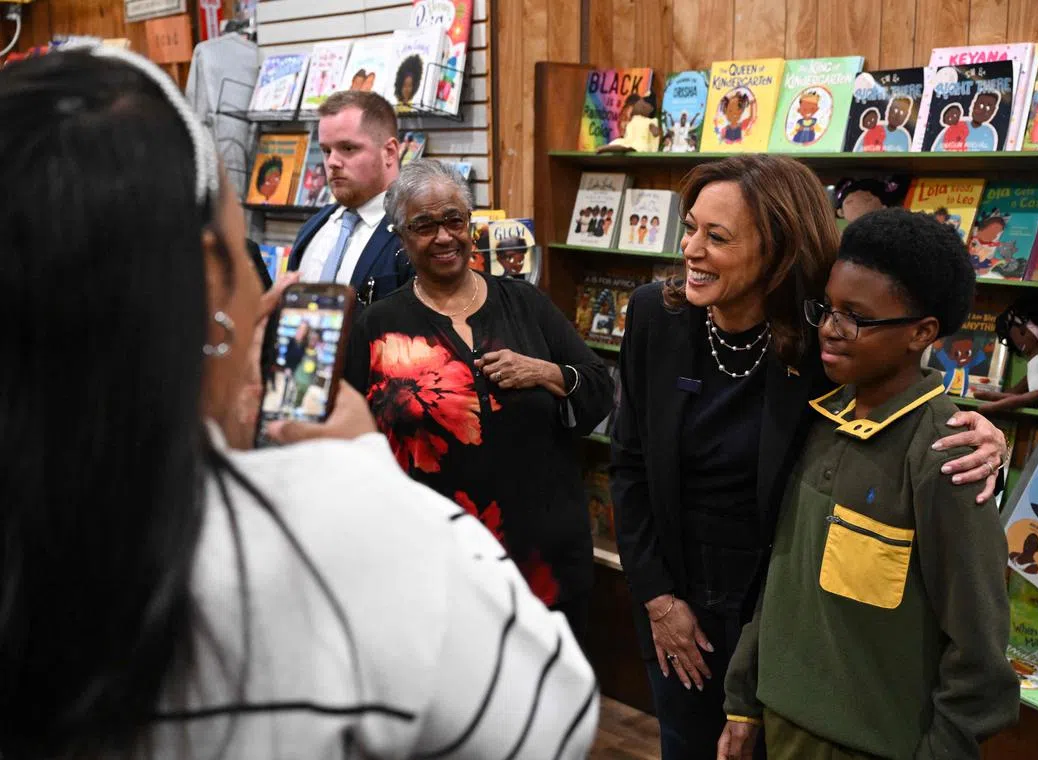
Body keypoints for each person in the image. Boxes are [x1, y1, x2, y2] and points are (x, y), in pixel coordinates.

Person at [0, 44, 598, 758]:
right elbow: (553, 718)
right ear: (213, 277)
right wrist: (361, 480)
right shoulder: (332, 530)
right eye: (245, 246)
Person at [609, 155, 1008, 760]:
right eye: (689, 227)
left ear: (775, 249)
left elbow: (895, 379)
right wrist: (659, 600)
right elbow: (629, 466)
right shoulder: (654, 319)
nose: (690, 249)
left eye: (716, 236)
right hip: (678, 600)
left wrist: (984, 433)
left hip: (782, 623)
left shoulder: (820, 335)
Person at [722, 207, 1019, 759]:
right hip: (780, 722)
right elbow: (782, 575)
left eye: (856, 317)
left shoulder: (946, 457)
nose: (831, 329)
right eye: (828, 309)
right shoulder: (817, 418)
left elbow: (979, 653)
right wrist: (743, 697)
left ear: (922, 333)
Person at [344, 159, 615, 644]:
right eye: (424, 225)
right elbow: (350, 440)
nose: (444, 237)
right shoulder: (374, 325)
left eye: (454, 220)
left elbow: (598, 387)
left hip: (544, 558)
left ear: (471, 224)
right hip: (435, 562)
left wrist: (546, 372)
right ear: (402, 237)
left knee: (552, 706)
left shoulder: (525, 304)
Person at [287, 90, 410, 307]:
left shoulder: (415, 234)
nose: (332, 162)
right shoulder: (313, 229)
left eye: (348, 148)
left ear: (389, 152)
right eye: (326, 150)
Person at [976, 297, 1038, 412]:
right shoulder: (1033, 362)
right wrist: (1013, 391)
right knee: (1016, 397)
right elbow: (1025, 383)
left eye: (1022, 333)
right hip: (1033, 393)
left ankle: (993, 406)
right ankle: (988, 396)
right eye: (1014, 340)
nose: (1019, 342)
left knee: (1018, 400)